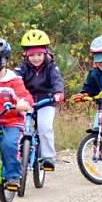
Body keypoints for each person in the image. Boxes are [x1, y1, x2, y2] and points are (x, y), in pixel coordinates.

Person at [0, 36, 33, 191]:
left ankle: (13, 176)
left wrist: (23, 103)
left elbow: (25, 96)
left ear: (3, 62)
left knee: (8, 145)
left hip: (12, 120)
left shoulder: (13, 80)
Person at [14, 29, 64, 170]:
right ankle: (17, 155)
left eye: (39, 54)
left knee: (44, 127)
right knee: (18, 127)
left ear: (45, 53)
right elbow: (14, 78)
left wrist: (58, 93)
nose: (36, 58)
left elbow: (57, 81)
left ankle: (48, 157)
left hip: (46, 101)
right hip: (27, 102)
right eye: (32, 55)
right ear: (26, 55)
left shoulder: (51, 66)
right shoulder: (22, 67)